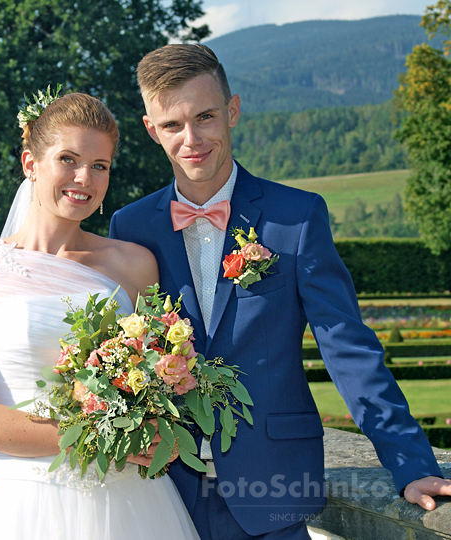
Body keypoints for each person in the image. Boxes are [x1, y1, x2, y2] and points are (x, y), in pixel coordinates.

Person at [107, 44, 451, 540]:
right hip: (160, 491)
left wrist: (412, 463)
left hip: (272, 491)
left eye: (205, 116)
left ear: (233, 110)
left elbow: (349, 350)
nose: (192, 139)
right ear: (150, 130)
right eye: (172, 126)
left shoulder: (298, 217)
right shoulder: (129, 226)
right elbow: (107, 352)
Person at [0, 91, 201, 540]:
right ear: (30, 164)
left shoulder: (135, 264)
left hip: (129, 503)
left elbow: (162, 380)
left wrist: (153, 423)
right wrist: (98, 436)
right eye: (68, 159)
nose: (84, 178)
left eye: (100, 165)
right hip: (22, 497)